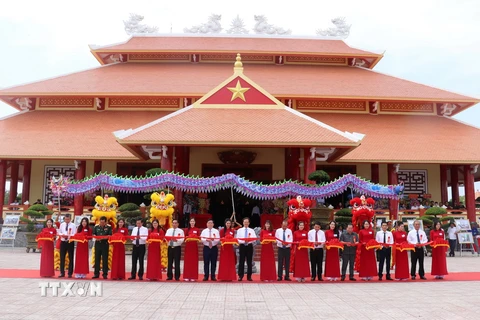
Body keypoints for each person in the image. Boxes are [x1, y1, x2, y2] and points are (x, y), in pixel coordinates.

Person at [236, 217, 256, 281]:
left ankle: (249, 276)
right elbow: (238, 239)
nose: (246, 223)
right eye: (245, 222)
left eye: (247, 222)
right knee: (241, 261)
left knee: (249, 261)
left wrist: (248, 241)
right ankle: (240, 276)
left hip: (249, 246)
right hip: (242, 246)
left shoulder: (252, 230)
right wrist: (244, 241)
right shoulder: (239, 230)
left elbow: (254, 238)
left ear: (249, 223)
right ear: (243, 223)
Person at [59, 214, 76, 278]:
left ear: (70, 219)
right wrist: (62, 234)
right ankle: (62, 272)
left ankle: (70, 273)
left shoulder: (73, 225)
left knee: (70, 257)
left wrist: (69, 235)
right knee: (62, 257)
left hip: (70, 242)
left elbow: (74, 233)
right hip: (63, 241)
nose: (67, 220)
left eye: (68, 219)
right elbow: (59, 232)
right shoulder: (62, 224)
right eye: (65, 219)